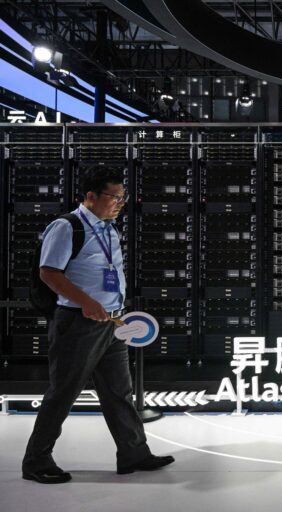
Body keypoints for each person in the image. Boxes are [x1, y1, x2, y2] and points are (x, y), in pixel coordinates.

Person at [22, 167, 174, 484]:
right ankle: (36, 461)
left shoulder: (108, 228)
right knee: (64, 391)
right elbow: (48, 272)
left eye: (122, 197)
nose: (120, 203)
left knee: (119, 392)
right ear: (91, 196)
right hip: (78, 322)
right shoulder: (67, 227)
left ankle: (134, 453)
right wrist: (86, 302)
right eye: (114, 197)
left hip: (112, 322)